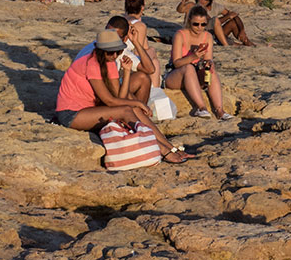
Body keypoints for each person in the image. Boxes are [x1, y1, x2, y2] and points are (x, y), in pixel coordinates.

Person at [54, 23, 189, 163]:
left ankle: (169, 146)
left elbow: (120, 96)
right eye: (110, 52)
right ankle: (163, 150)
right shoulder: (92, 63)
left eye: (117, 52)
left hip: (91, 108)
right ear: (100, 51)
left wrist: (127, 71)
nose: (114, 55)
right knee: (127, 110)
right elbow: (110, 101)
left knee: (133, 108)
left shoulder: (110, 61)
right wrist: (137, 102)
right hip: (71, 113)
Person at [165, 4, 234, 120]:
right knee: (188, 68)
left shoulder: (207, 36)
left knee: (211, 70)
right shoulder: (180, 35)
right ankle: (201, 107)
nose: (199, 27)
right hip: (175, 75)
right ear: (190, 20)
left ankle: (220, 110)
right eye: (196, 24)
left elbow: (208, 58)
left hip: (195, 75)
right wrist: (193, 56)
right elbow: (176, 63)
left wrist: (208, 63)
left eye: (203, 24)